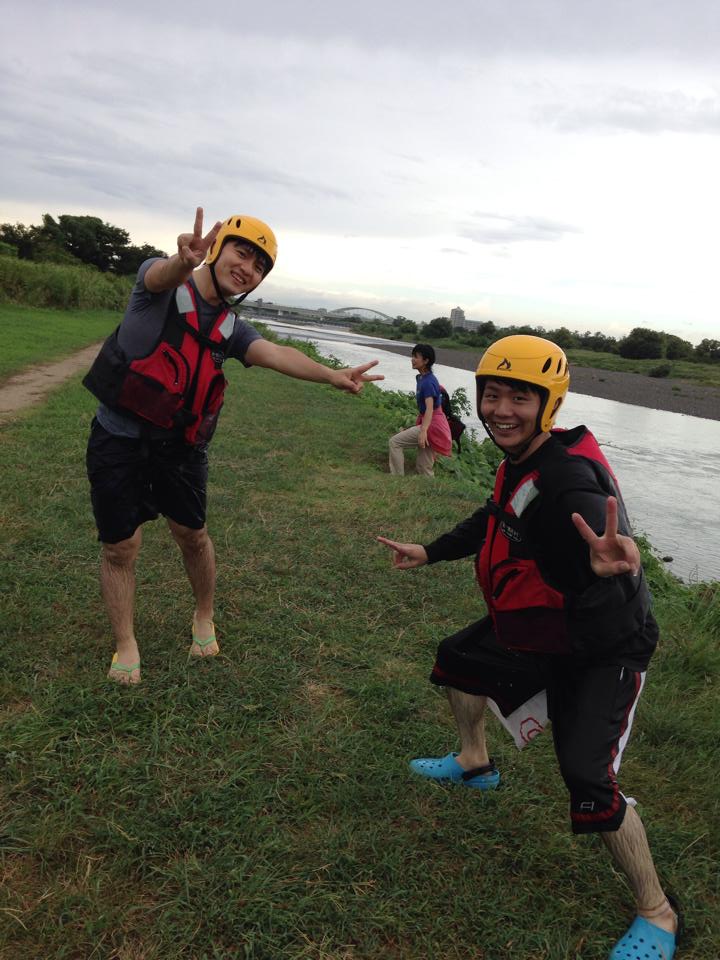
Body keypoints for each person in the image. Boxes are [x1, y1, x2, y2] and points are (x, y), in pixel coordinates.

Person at [378, 335, 681, 959]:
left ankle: (658, 912)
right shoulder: (523, 461)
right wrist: (430, 551)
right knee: (458, 661)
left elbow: (598, 541)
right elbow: (494, 518)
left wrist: (602, 566)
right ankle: (475, 761)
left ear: (549, 404)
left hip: (603, 647)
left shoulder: (568, 481)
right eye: (492, 395)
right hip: (545, 624)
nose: (501, 410)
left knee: (587, 777)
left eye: (520, 397)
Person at [84, 208, 382, 685]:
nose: (247, 269)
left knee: (193, 535)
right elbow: (162, 274)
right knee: (121, 547)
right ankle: (126, 642)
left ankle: (204, 613)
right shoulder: (156, 287)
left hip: (180, 449)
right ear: (217, 249)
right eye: (241, 253)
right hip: (117, 437)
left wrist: (332, 375)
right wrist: (182, 262)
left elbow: (276, 353)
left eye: (259, 267)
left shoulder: (231, 328)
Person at [388, 343, 452, 477]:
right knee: (423, 466)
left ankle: (397, 478)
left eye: (416, 357)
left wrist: (423, 431)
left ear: (426, 361)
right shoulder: (422, 378)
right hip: (434, 424)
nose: (412, 359)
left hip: (432, 425)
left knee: (395, 442)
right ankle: (429, 489)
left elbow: (429, 409)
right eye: (412, 356)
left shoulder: (428, 382)